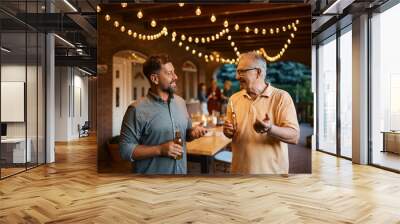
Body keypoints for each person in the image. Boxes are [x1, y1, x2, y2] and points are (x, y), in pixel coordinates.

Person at [119, 55, 207, 174]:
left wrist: (192, 133)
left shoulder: (181, 102)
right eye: (170, 73)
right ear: (155, 79)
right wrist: (159, 150)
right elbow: (125, 150)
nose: (176, 77)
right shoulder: (136, 109)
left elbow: (186, 133)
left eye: (174, 72)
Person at [223, 51, 300, 174]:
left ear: (258, 72)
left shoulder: (281, 97)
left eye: (242, 71)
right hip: (238, 172)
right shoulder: (233, 99)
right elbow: (230, 133)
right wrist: (227, 131)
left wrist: (270, 129)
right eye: (237, 71)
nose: (237, 77)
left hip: (272, 175)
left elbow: (294, 136)